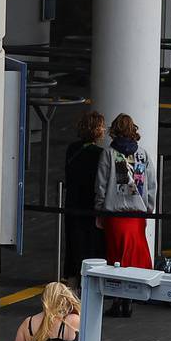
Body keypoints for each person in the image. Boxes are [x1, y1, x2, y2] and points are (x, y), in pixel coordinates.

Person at [95, 114, 154, 311]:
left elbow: (101, 184)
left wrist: (100, 208)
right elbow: (151, 184)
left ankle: (117, 298)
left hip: (115, 215)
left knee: (115, 257)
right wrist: (149, 207)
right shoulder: (143, 154)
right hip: (137, 215)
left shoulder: (109, 154)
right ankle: (130, 296)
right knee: (133, 256)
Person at [63, 111, 107, 280]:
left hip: (72, 201)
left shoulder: (72, 149)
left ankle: (71, 274)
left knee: (73, 241)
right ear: (97, 130)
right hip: (89, 203)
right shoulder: (100, 154)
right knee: (90, 243)